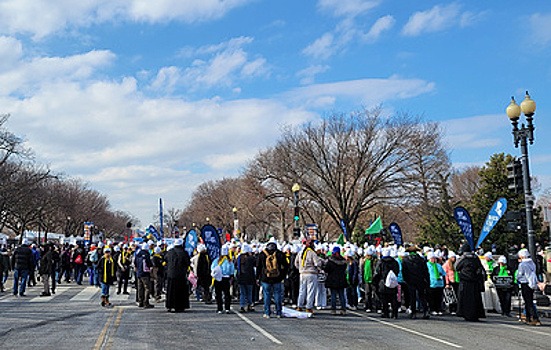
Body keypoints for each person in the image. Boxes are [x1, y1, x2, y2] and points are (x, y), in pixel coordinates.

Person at [256, 241, 288, 318]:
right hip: (277, 278)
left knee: (267, 295)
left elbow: (258, 267)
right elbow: (286, 266)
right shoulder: (280, 254)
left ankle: (267, 313)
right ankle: (278, 312)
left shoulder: (262, 254)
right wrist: (282, 276)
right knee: (277, 295)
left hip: (265, 278)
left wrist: (257, 277)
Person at [455, 243, 485, 322]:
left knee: (465, 298)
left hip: (465, 281)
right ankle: (476, 314)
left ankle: (466, 313)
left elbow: (457, 267)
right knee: (475, 298)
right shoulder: (476, 258)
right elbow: (480, 268)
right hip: (475, 282)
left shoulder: (463, 258)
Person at [401, 245, 430, 319]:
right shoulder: (421, 259)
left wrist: (406, 279)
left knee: (412, 296)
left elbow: (404, 271)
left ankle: (413, 313)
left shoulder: (405, 260)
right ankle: (425, 311)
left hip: (410, 280)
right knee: (422, 296)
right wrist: (427, 280)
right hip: (420, 279)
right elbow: (425, 271)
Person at [295, 239, 322, 313]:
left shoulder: (300, 252)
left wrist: (300, 268)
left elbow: (296, 263)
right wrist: (319, 268)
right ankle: (308, 307)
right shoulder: (312, 253)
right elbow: (317, 263)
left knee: (302, 290)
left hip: (302, 273)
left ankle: (299, 305)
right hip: (311, 273)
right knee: (311, 291)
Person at [164, 238, 191, 313]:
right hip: (181, 275)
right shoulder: (184, 252)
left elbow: (165, 259)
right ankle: (180, 306)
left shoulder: (170, 252)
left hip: (171, 274)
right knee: (180, 291)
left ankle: (170, 305)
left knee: (170, 291)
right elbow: (188, 262)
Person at [516, 249, 541, 326]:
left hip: (525, 283)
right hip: (531, 283)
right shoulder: (532, 263)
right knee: (529, 300)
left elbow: (519, 275)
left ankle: (533, 317)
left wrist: (518, 278)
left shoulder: (522, 265)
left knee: (528, 302)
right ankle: (528, 317)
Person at [374, 247, 400, 319]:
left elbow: (377, 273)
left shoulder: (380, 262)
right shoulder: (395, 262)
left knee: (384, 298)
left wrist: (375, 282)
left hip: (383, 282)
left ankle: (386, 312)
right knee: (393, 298)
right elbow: (397, 271)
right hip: (393, 282)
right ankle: (395, 313)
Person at [324, 246, 347, 315]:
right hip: (341, 279)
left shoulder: (330, 261)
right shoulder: (343, 261)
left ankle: (333, 310)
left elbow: (326, 269)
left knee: (333, 295)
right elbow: (345, 269)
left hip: (332, 280)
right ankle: (343, 310)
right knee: (341, 295)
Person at [211, 245, 235, 314]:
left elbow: (212, 268)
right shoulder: (229, 261)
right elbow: (232, 270)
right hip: (226, 278)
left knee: (218, 294)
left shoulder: (217, 260)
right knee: (227, 294)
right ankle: (227, 308)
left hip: (218, 278)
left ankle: (219, 308)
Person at [236, 243, 256, 312]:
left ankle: (242, 306)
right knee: (249, 292)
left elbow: (236, 266)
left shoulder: (239, 258)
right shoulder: (251, 258)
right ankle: (249, 305)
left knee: (242, 293)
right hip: (250, 278)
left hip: (241, 277)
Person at [134, 242, 154, 308]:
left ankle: (140, 302)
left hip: (139, 273)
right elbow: (149, 263)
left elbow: (135, 263)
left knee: (140, 288)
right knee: (147, 288)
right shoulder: (146, 254)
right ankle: (146, 302)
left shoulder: (138, 254)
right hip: (145, 273)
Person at [427, 251, 445, 316]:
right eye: (432, 258)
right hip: (431, 283)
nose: (433, 260)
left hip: (439, 283)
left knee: (439, 297)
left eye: (434, 258)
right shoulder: (427, 265)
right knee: (432, 298)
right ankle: (432, 309)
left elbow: (443, 273)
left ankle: (439, 309)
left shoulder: (438, 265)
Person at [361, 247, 377, 313]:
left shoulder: (374, 261)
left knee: (375, 293)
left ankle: (377, 306)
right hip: (366, 279)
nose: (368, 256)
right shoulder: (364, 261)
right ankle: (368, 306)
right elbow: (362, 270)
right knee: (367, 293)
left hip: (373, 279)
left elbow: (375, 270)